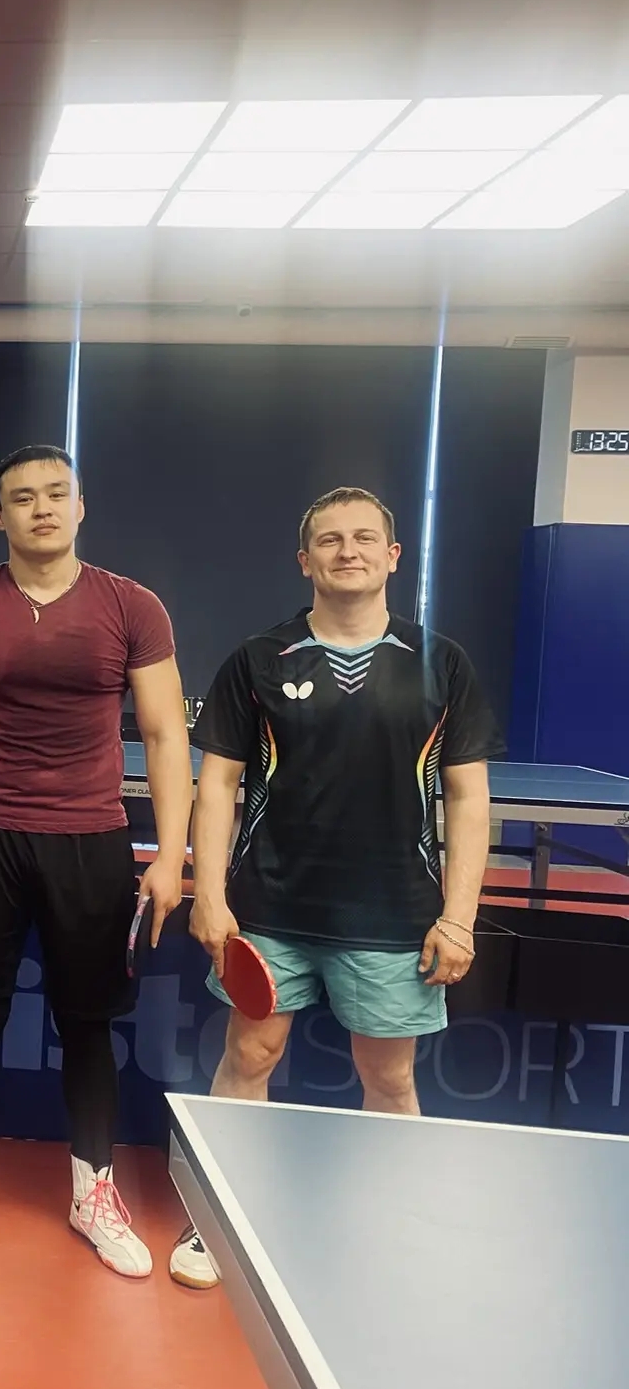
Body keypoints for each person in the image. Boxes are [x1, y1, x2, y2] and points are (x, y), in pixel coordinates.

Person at [169, 487, 499, 1289]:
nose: (347, 551)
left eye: (363, 538)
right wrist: (207, 893)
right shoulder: (258, 659)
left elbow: (467, 797)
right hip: (270, 908)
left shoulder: (441, 663)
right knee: (250, 1053)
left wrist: (459, 918)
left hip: (394, 914)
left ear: (393, 555)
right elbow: (218, 786)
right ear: (304, 560)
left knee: (389, 1077)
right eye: (329, 539)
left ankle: (395, 1220)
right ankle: (220, 1218)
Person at [0, 444, 190, 1278]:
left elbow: (166, 734)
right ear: (0, 516)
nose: (43, 508)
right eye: (23, 497)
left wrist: (170, 854)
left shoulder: (133, 607)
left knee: (87, 1023)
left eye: (58, 493)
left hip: (92, 842)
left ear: (80, 506)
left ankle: (94, 1193)